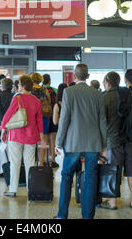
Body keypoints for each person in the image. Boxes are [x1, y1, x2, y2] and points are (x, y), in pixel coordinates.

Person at [55, 63, 107, 220]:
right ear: (88, 76)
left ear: (74, 76)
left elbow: (64, 119)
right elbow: (102, 120)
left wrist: (58, 142)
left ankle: (62, 215)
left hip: (73, 142)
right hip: (93, 141)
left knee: (66, 176)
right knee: (90, 177)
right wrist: (104, 145)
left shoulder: (68, 92)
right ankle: (87, 216)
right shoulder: (97, 93)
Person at [0, 75, 45, 198]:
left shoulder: (17, 99)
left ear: (23, 86)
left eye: (19, 85)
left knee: (15, 162)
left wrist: (3, 130)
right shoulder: (36, 100)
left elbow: (8, 115)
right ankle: (31, 190)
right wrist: (41, 136)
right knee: (30, 163)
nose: (18, 87)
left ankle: (13, 189)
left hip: (16, 135)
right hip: (31, 135)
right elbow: (39, 120)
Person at [100, 71, 132, 210]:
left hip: (114, 139)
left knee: (114, 170)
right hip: (131, 138)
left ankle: (113, 203)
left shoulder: (104, 97)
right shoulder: (129, 94)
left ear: (107, 82)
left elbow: (102, 121)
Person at [30, 72, 52, 166]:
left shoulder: (30, 90)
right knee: (43, 139)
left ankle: (32, 161)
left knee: (31, 139)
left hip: (33, 116)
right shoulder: (44, 89)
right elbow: (49, 101)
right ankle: (41, 162)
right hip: (43, 116)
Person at [42, 74, 59, 168]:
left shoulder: (40, 91)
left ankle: (44, 159)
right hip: (54, 117)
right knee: (53, 140)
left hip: (44, 117)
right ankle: (53, 160)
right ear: (50, 81)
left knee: (44, 140)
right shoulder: (55, 90)